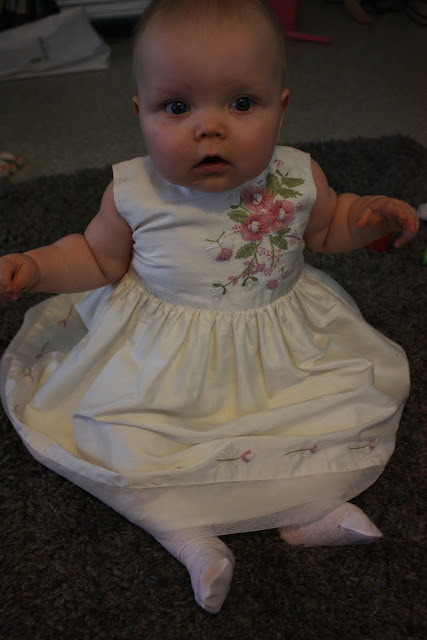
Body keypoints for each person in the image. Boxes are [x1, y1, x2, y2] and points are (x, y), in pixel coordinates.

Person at [0, 0, 419, 614]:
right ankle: (188, 538)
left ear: (282, 107)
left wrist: (368, 218)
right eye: (178, 107)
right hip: (163, 362)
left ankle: (308, 510)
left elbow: (330, 229)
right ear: (140, 113)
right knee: (132, 439)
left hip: (278, 349)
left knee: (320, 411)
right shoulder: (135, 190)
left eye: (242, 103)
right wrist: (35, 267)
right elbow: (94, 258)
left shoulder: (296, 177)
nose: (210, 127)